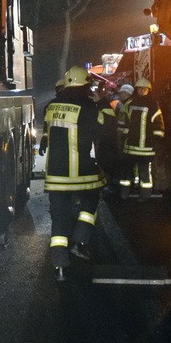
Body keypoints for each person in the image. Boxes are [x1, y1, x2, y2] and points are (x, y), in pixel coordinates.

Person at [39, 66, 107, 282]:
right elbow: (104, 128)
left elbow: (49, 131)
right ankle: (80, 239)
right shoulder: (88, 106)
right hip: (81, 173)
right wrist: (101, 102)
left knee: (58, 219)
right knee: (92, 199)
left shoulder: (51, 106)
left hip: (55, 175)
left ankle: (59, 265)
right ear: (84, 85)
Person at [120, 78, 165, 201]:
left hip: (146, 147)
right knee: (126, 173)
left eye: (144, 89)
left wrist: (157, 140)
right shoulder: (130, 103)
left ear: (148, 90)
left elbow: (158, 124)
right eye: (139, 88)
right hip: (131, 146)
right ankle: (124, 194)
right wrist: (122, 138)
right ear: (136, 89)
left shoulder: (153, 105)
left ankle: (145, 196)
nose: (142, 91)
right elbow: (124, 123)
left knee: (145, 173)